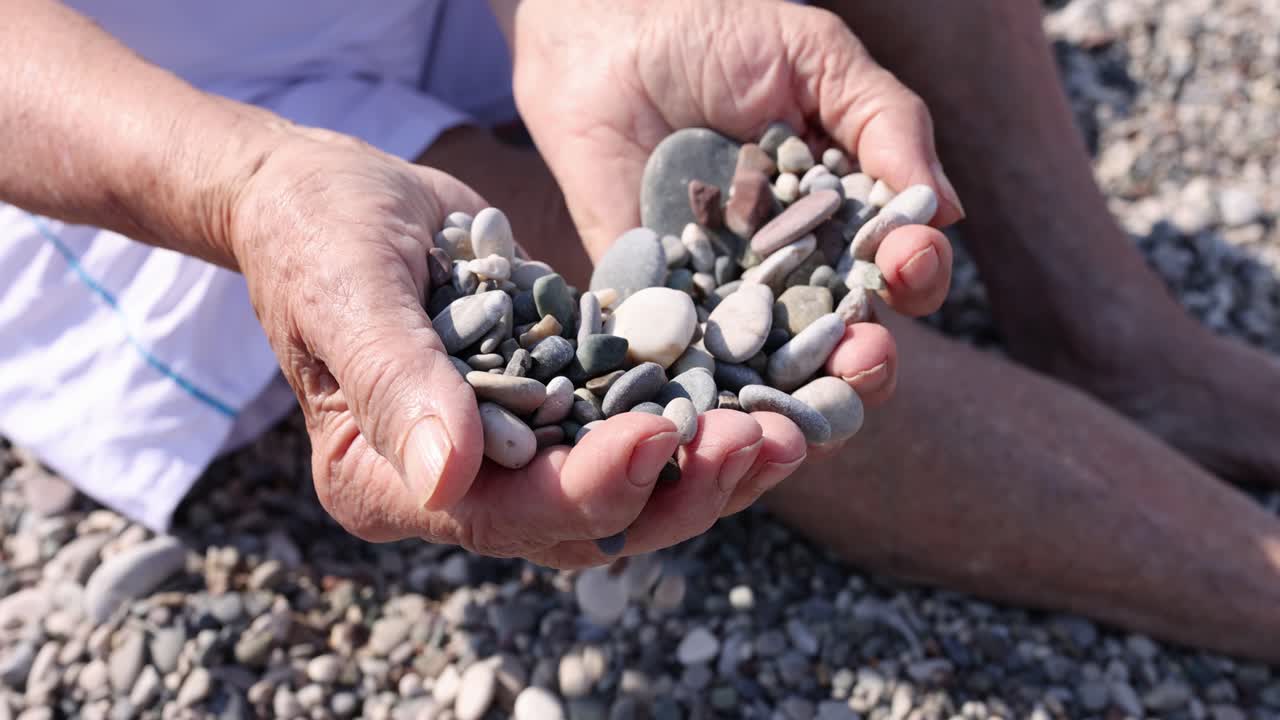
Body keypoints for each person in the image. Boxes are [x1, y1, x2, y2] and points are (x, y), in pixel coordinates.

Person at [1, 0, 1277, 661]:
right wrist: (247, 181)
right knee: (587, 306)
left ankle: (1116, 333)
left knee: (685, 231)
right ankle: (1251, 585)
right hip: (129, 90)